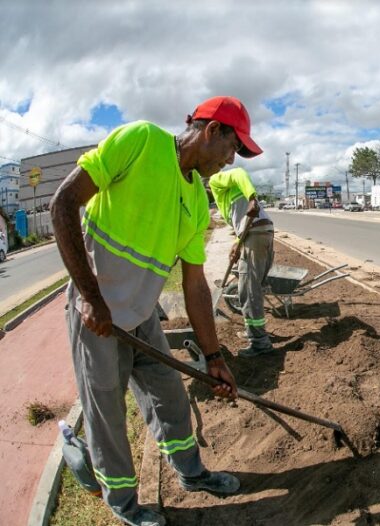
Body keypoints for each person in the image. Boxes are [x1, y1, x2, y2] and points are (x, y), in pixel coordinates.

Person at [50, 96, 262, 526]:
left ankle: (192, 473)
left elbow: (195, 286)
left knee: (169, 394)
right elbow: (62, 204)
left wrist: (215, 357)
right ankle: (125, 504)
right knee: (106, 413)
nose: (231, 160)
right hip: (97, 316)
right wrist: (92, 297)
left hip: (142, 317)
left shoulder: (197, 203)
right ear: (213, 131)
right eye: (233, 148)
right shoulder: (141, 141)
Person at [209, 167, 275, 356]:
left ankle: (260, 343)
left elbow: (239, 172)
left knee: (248, 292)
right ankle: (253, 332)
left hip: (255, 234)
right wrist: (237, 244)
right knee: (253, 289)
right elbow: (242, 224)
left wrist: (253, 198)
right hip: (263, 231)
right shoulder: (225, 196)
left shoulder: (215, 180)